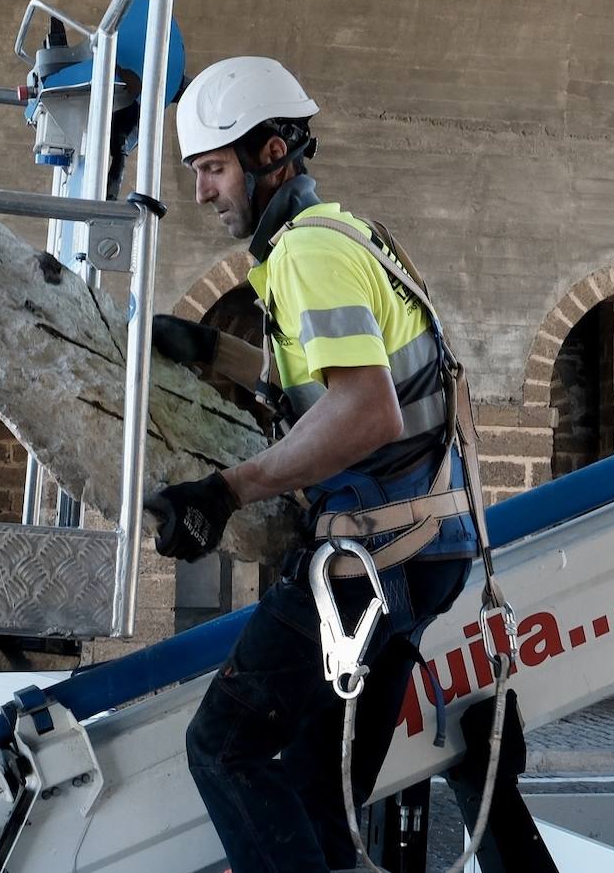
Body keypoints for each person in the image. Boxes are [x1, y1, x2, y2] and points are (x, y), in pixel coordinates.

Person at [145, 56, 485, 873]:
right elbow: (327, 387)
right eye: (196, 172)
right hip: (424, 543)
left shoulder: (306, 254)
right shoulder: (344, 234)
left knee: (222, 748)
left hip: (375, 552)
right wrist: (210, 351)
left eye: (214, 168)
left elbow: (368, 409)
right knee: (315, 791)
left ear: (270, 154)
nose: (201, 193)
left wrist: (226, 490)